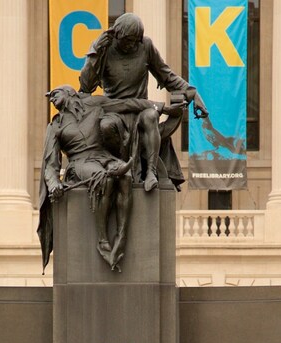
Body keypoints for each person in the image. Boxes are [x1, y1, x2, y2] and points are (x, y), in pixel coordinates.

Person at [39, 86, 182, 272]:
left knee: (125, 177)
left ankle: (122, 235)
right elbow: (50, 162)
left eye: (54, 94)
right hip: (80, 162)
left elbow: (128, 104)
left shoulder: (95, 104)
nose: (51, 99)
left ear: (70, 92)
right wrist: (53, 184)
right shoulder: (55, 125)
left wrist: (161, 107)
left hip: (104, 156)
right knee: (104, 179)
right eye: (50, 97)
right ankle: (102, 239)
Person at [79, 13, 207, 192]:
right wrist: (95, 52)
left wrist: (193, 94)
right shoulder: (105, 49)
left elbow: (167, 76)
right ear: (117, 35)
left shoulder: (145, 46)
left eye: (135, 41)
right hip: (115, 111)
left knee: (151, 116)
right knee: (106, 126)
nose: (131, 45)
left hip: (140, 110)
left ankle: (150, 173)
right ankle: (119, 168)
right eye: (127, 40)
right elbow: (85, 86)